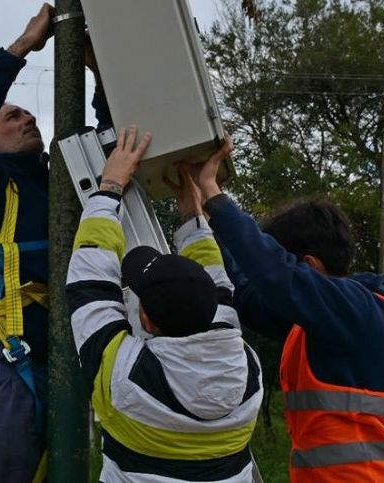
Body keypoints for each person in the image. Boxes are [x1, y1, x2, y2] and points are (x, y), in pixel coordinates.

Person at [186, 138, 384, 483]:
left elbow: (274, 274)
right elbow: (249, 294)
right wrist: (205, 219)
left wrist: (215, 195)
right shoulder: (316, 325)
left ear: (309, 266)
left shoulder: (360, 311)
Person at [0, 3, 111, 483]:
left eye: (28, 114)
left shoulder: (61, 182)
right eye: (12, 117)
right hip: (11, 365)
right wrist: (23, 45)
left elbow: (107, 143)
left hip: (66, 359)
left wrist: (98, 68)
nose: (26, 119)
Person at [66, 126, 263, 483]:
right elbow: (90, 288)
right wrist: (193, 217)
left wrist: (110, 185)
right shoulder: (247, 368)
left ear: (146, 319)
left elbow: (89, 279)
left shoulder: (124, 380)